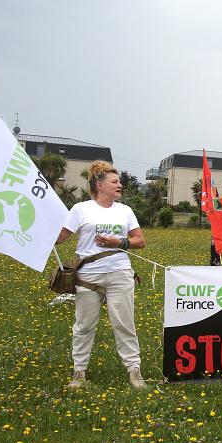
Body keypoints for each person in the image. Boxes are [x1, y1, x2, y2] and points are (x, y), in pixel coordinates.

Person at [55, 161, 147, 389]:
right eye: (114, 181)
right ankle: (79, 373)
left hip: (120, 273)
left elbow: (140, 241)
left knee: (124, 324)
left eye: (119, 181)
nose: (120, 184)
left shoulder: (125, 211)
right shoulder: (80, 209)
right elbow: (59, 238)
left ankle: (134, 372)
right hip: (88, 276)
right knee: (84, 326)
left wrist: (120, 242)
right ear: (99, 185)